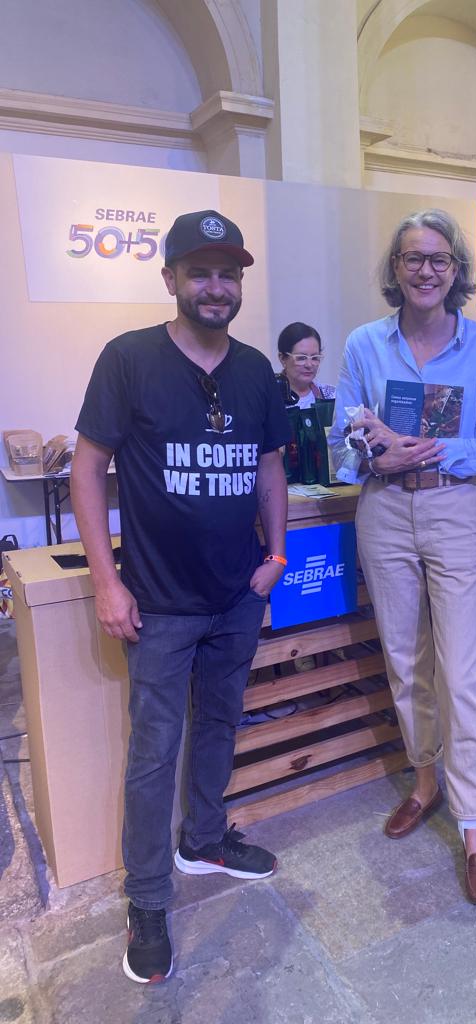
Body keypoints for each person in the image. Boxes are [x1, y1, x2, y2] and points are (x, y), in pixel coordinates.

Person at [71, 209, 290, 983]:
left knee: (221, 725)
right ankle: (148, 899)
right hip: (158, 605)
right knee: (154, 751)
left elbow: (269, 468)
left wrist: (277, 556)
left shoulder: (256, 371)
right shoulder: (128, 359)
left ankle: (203, 841)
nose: (216, 286)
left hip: (237, 595)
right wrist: (106, 581)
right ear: (170, 278)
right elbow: (87, 469)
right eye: (200, 272)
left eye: (228, 274)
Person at [328, 208, 476, 905]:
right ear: (396, 269)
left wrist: (422, 449)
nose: (425, 270)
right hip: (383, 511)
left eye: (438, 259)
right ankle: (425, 781)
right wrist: (375, 454)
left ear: (456, 270)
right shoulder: (364, 344)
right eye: (413, 258)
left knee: (459, 673)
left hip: (455, 508)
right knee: (405, 662)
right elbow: (344, 442)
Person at [276, 321, 336, 408]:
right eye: (301, 358)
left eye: (315, 358)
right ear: (282, 359)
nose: (309, 365)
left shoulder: (331, 396)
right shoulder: (270, 398)